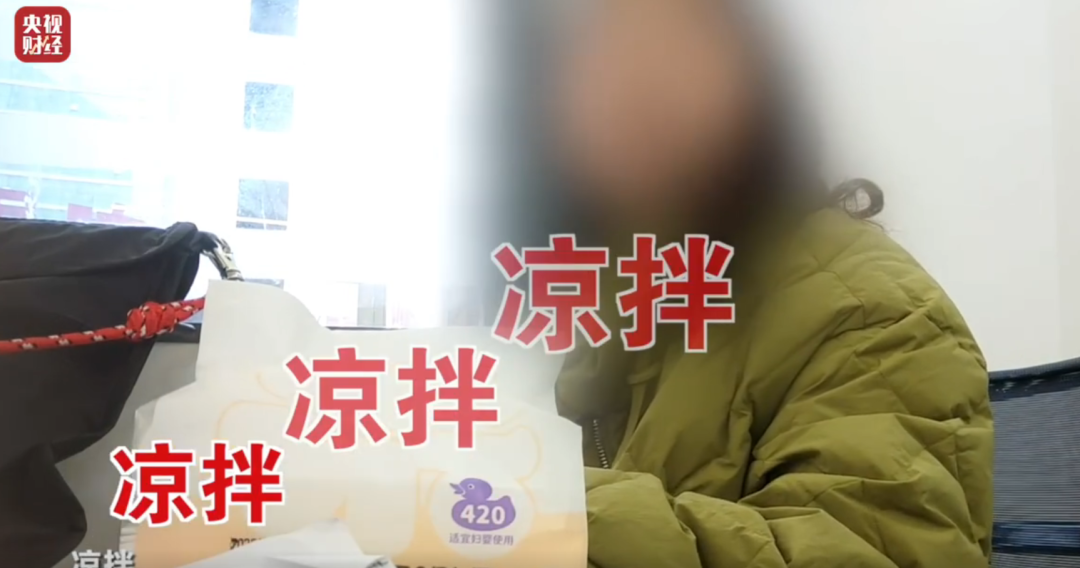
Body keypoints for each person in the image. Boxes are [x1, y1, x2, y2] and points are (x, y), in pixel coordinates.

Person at [499, 0, 994, 566]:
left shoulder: (875, 314)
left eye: (672, 51)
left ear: (760, 92)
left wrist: (538, 515)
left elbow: (870, 547)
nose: (631, 91)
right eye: (596, 63)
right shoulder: (628, 304)